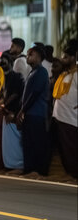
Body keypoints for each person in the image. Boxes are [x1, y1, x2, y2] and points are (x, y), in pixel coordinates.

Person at [17, 45, 51, 176]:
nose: (27, 57)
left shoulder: (41, 72)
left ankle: (39, 171)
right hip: (29, 113)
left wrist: (22, 110)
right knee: (28, 142)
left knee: (37, 142)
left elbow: (35, 93)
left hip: (37, 113)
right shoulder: (32, 72)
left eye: (30, 54)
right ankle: (29, 169)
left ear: (38, 56)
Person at [51, 43, 77, 178]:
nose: (62, 59)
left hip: (71, 118)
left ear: (73, 58)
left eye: (66, 57)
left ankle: (74, 174)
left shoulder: (76, 74)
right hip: (59, 116)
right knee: (63, 149)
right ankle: (69, 173)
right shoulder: (63, 74)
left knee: (71, 148)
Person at [0, 54, 25, 172]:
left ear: (11, 63)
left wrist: (5, 106)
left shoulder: (16, 76)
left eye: (5, 61)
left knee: (15, 142)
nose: (2, 63)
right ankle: (9, 165)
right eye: (1, 61)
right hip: (6, 112)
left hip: (13, 113)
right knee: (7, 142)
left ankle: (18, 166)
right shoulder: (3, 77)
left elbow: (16, 94)